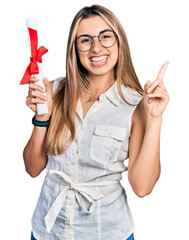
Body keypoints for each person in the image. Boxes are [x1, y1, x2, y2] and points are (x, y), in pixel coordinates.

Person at [23, 4, 170, 240]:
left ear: (119, 42)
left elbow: (142, 187)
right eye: (86, 40)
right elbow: (32, 168)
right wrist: (41, 118)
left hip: (106, 232)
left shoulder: (136, 105)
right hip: (47, 231)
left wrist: (155, 119)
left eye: (105, 37)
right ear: (75, 48)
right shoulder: (56, 91)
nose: (97, 47)